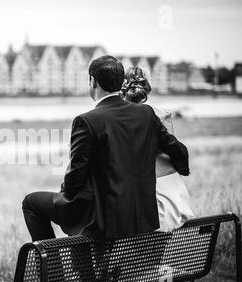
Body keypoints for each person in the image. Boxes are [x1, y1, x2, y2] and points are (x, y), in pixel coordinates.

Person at [22, 55, 190, 242]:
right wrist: (181, 167)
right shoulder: (146, 113)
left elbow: (76, 176)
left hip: (103, 220)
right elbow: (178, 150)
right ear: (120, 83)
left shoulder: (86, 120)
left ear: (92, 81)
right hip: (140, 216)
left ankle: (53, 268)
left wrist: (64, 198)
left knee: (30, 203)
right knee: (78, 216)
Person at [120, 66, 194, 232]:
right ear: (148, 88)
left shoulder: (120, 117)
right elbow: (172, 153)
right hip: (176, 198)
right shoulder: (160, 113)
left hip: (151, 202)